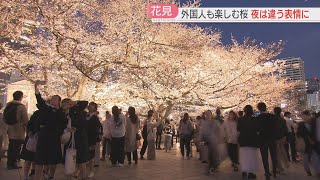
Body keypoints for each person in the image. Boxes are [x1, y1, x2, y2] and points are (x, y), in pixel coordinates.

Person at [33, 82, 67, 180]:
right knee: (39, 160)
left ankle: (51, 176)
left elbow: (63, 124)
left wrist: (60, 132)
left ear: (59, 101)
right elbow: (39, 99)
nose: (52, 100)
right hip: (44, 137)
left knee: (53, 160)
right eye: (52, 98)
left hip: (54, 138)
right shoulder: (46, 108)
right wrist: (36, 87)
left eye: (55, 98)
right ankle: (37, 177)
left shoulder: (61, 112)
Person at [5, 91, 29, 170]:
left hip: (10, 129)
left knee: (11, 146)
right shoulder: (21, 107)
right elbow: (25, 120)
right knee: (17, 147)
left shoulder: (8, 105)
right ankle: (13, 163)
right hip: (19, 130)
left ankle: (9, 163)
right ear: (21, 97)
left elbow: (4, 118)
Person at [237, 105, 260, 179]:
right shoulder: (255, 119)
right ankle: (250, 172)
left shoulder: (240, 119)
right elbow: (257, 129)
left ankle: (244, 171)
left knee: (244, 157)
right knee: (252, 157)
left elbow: (238, 129)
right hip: (252, 140)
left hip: (243, 140)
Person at [256, 102, 278, 179]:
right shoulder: (273, 116)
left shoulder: (258, 118)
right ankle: (274, 171)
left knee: (264, 157)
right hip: (272, 139)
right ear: (266, 107)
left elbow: (257, 129)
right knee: (274, 156)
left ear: (258, 109)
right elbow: (276, 128)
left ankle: (267, 172)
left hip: (262, 139)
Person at [297, 110, 320, 177]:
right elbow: (299, 134)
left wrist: (313, 140)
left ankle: (318, 172)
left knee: (315, 158)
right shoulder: (301, 124)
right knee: (305, 160)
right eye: (302, 116)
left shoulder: (314, 122)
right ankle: (308, 171)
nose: (303, 117)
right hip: (305, 144)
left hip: (314, 144)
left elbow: (315, 132)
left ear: (308, 115)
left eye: (304, 116)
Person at [20, 104, 40, 180]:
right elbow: (30, 124)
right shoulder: (37, 114)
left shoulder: (40, 113)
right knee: (29, 158)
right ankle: (26, 175)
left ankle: (32, 171)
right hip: (33, 138)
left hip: (36, 138)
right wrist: (30, 131)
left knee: (32, 158)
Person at [85, 102, 102, 178]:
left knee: (91, 156)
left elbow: (97, 130)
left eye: (91, 106)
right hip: (84, 138)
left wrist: (93, 142)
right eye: (89, 105)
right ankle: (80, 170)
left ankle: (91, 171)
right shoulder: (85, 115)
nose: (89, 107)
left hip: (91, 140)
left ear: (95, 108)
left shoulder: (95, 118)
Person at [273, 107, 289, 173]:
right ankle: (286, 163)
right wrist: (285, 136)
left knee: (277, 153)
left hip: (276, 138)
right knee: (283, 151)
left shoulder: (273, 119)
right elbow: (285, 129)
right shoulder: (283, 119)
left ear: (274, 111)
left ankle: (280, 168)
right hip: (282, 137)